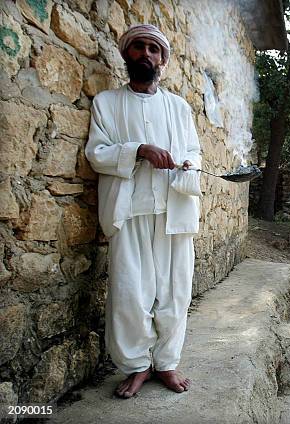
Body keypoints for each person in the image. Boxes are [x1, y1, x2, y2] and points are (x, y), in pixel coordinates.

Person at [85, 24, 202, 398]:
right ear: (126, 54)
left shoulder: (179, 107)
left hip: (173, 210)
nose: (147, 54)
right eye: (139, 47)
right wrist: (138, 149)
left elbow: (194, 153)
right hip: (130, 209)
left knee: (174, 292)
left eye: (154, 49)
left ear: (163, 61)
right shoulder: (106, 103)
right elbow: (96, 153)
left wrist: (186, 165)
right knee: (130, 292)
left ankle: (166, 363)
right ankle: (137, 366)